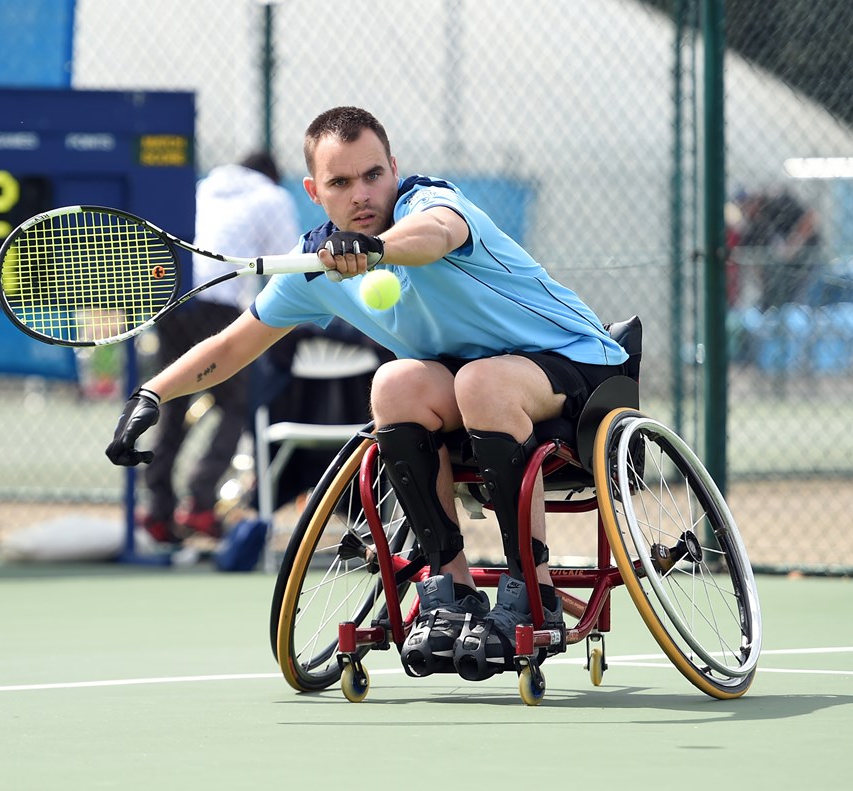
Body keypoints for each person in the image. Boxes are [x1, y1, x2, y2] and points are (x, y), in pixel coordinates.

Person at [107, 107, 628, 681]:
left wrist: (374, 247)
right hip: (476, 395)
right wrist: (152, 394)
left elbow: (433, 238)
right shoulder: (316, 267)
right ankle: (449, 589)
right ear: (313, 191)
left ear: (395, 169)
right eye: (340, 182)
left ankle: (533, 592)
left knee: (483, 379)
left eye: (373, 175)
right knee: (395, 383)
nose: (362, 193)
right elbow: (230, 348)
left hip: (582, 370)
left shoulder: (432, 204)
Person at [137, 151, 299, 546]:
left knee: (172, 401)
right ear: (273, 176)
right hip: (219, 304)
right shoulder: (273, 197)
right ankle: (201, 501)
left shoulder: (205, 186)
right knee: (238, 404)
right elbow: (288, 265)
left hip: (172, 299)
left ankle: (158, 511)